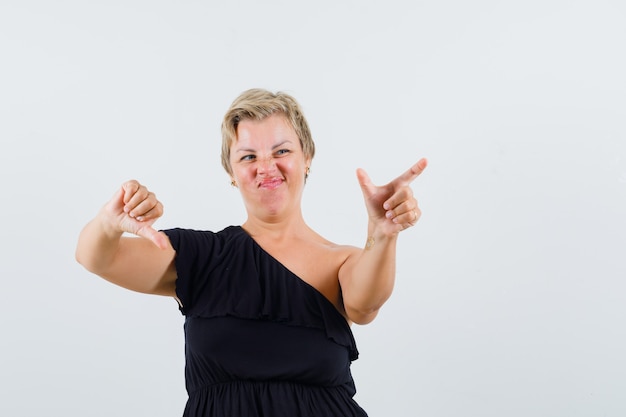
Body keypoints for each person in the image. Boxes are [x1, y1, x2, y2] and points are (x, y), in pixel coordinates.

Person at [75, 88, 427, 417]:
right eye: (248, 156)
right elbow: (95, 258)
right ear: (232, 172)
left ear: (307, 157)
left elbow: (365, 307)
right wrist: (109, 221)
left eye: (282, 151)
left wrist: (382, 235)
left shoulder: (342, 261)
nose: (266, 167)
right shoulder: (202, 256)